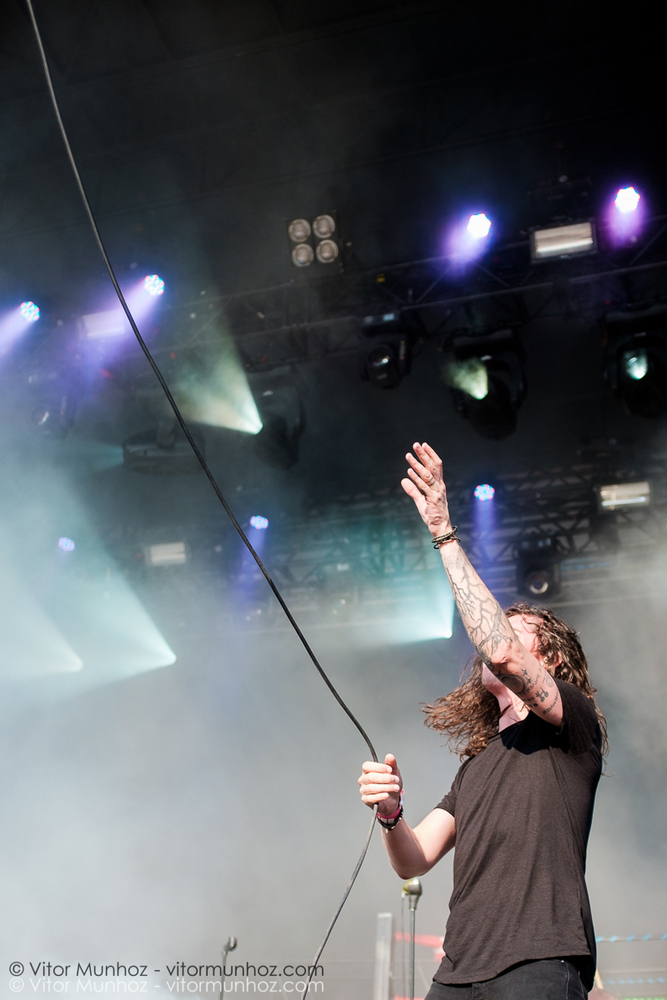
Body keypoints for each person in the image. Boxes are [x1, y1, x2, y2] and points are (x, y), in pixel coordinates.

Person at [358, 442, 606, 1000]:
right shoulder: (477, 765)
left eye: (515, 626)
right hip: (457, 971)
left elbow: (502, 654)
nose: (497, 632)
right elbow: (414, 859)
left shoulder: (573, 724)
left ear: (554, 660)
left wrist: (445, 533)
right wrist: (392, 813)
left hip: (539, 962)